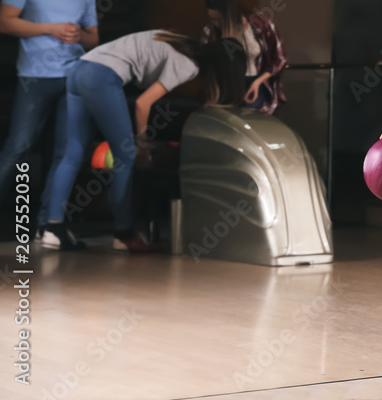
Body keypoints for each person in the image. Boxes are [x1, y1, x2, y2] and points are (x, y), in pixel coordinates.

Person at [43, 30, 246, 252]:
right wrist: (142, 142)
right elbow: (143, 103)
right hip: (101, 76)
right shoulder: (189, 65)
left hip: (79, 69)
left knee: (72, 155)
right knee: (126, 155)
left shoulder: (179, 40)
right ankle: (123, 233)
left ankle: (52, 229)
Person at [0, 0, 98, 244]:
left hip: (74, 77)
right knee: (18, 147)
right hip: (34, 77)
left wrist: (77, 36)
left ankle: (48, 225)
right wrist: (50, 29)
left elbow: (94, 38)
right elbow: (5, 22)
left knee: (67, 152)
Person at [202, 0, 287, 114]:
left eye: (219, 19)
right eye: (212, 19)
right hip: (225, 87)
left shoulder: (260, 25)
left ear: (230, 14)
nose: (216, 23)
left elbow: (279, 58)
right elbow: (207, 69)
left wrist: (258, 81)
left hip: (255, 80)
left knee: (250, 114)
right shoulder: (210, 32)